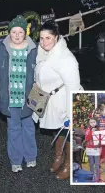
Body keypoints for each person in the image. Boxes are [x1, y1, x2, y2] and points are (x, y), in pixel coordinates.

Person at [32, 20, 83, 180]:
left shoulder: (66, 58)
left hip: (64, 99)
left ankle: (69, 164)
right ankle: (58, 157)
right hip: (50, 101)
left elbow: (73, 87)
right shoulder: (42, 51)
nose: (44, 42)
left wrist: (70, 112)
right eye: (41, 38)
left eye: (48, 38)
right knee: (57, 129)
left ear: (56, 37)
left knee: (67, 131)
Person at [0, 15, 37, 172]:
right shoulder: (1, 48)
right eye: (14, 32)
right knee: (13, 130)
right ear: (9, 33)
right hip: (10, 98)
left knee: (28, 127)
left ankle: (31, 157)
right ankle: (16, 160)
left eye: (20, 31)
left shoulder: (34, 48)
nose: (17, 35)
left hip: (28, 98)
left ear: (25, 33)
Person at [85, 117, 101, 182]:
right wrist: (91, 132)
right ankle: (92, 177)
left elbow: (101, 139)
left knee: (97, 165)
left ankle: (97, 178)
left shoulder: (99, 129)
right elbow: (87, 139)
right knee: (91, 164)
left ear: (96, 122)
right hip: (89, 149)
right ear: (89, 123)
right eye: (91, 122)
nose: (93, 123)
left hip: (96, 148)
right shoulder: (87, 129)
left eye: (94, 122)